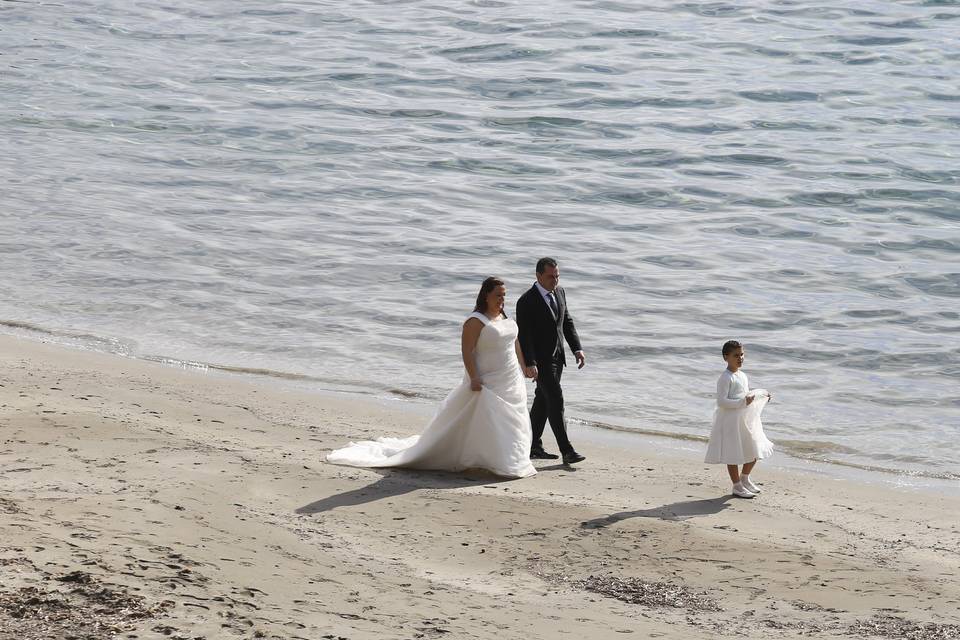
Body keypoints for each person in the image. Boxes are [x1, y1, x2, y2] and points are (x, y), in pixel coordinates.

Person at [326, 277, 537, 478]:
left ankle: (511, 458)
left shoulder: (503, 317)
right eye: (498, 295)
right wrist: (474, 377)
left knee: (513, 416)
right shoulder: (475, 321)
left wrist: (524, 365)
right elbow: (467, 351)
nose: (502, 300)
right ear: (485, 296)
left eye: (504, 295)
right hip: (488, 379)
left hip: (510, 377)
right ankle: (504, 461)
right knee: (494, 418)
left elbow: (514, 343)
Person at [515, 257, 586, 465]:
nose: (555, 280)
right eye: (550, 276)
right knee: (556, 400)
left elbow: (567, 322)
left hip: (558, 357)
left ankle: (533, 446)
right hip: (540, 362)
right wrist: (529, 363)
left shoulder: (560, 292)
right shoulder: (526, 301)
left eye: (557, 276)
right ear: (538, 276)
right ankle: (567, 450)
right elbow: (524, 335)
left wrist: (577, 348)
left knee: (543, 401)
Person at [704, 340, 774, 498]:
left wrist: (761, 395)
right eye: (736, 355)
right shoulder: (725, 378)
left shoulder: (742, 375)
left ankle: (745, 478)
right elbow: (722, 401)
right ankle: (736, 485)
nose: (740, 358)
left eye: (742, 354)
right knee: (733, 452)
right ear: (726, 357)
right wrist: (741, 403)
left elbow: (746, 394)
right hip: (730, 420)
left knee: (754, 446)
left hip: (745, 419)